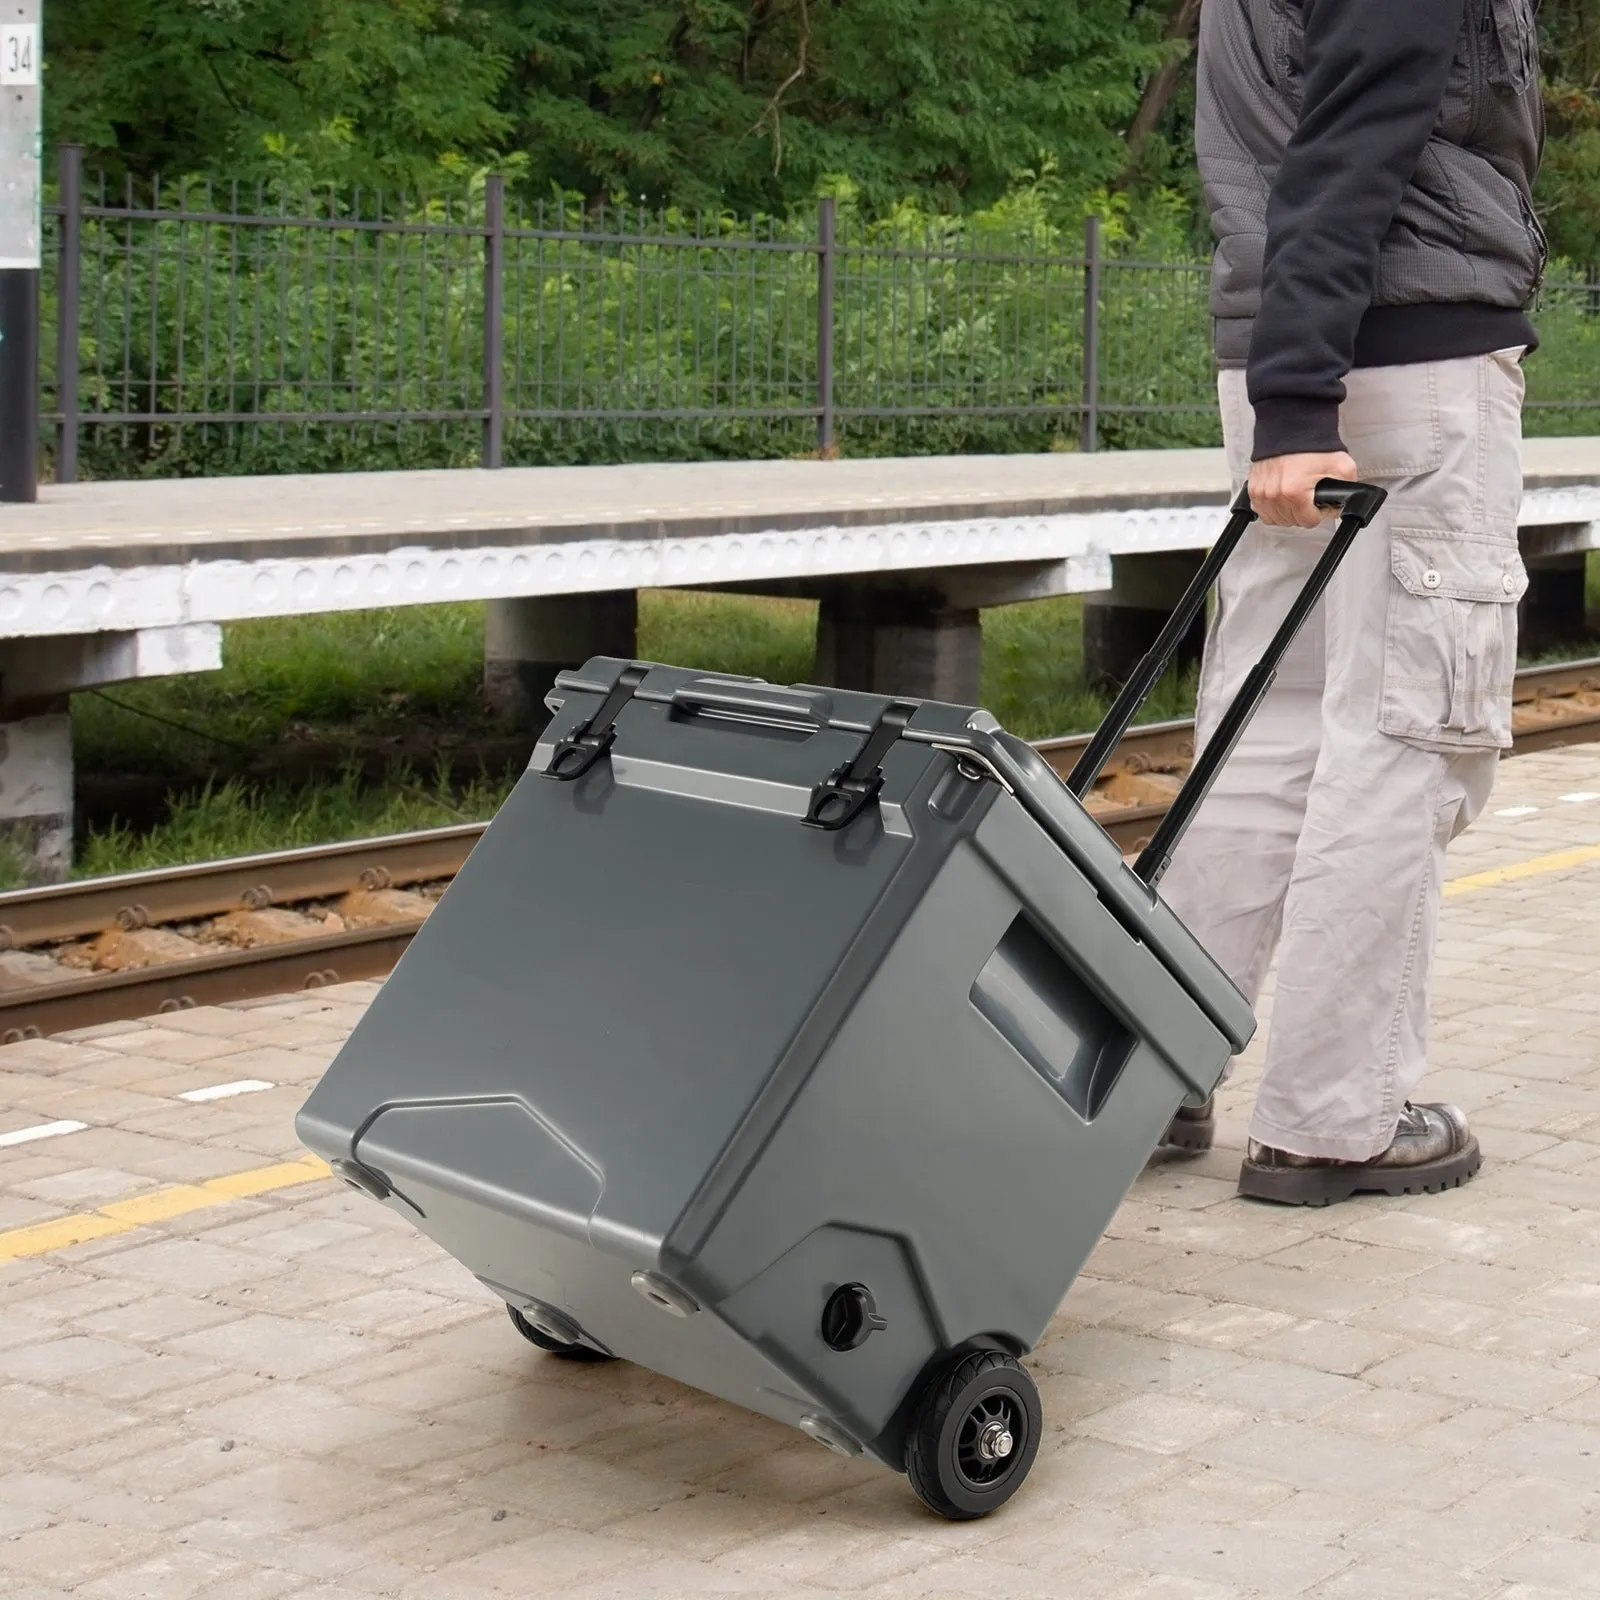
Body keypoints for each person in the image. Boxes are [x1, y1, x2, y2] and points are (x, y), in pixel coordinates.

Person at [1155, 0, 1545, 1205]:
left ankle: (1144, 1068)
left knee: (1260, 727)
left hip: (1295, 354)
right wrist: (1298, 399)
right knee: (1399, 737)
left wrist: (1282, 390)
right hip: (1389, 364)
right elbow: (1354, 135)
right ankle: (1338, 1117)